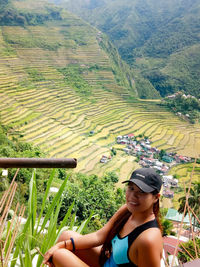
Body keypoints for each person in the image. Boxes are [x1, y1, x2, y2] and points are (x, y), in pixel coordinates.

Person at [43, 168, 163, 267]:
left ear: (156, 197)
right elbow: (99, 236)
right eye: (131, 188)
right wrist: (61, 244)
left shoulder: (148, 239)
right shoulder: (127, 211)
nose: (133, 196)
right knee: (66, 237)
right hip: (107, 263)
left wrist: (60, 249)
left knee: (60, 255)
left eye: (141, 192)